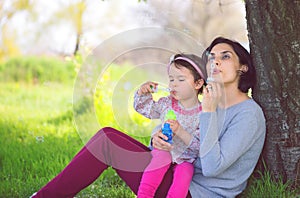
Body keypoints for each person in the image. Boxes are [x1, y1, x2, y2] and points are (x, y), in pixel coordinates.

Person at [31, 37, 266, 198]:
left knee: (107, 142)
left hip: (192, 191)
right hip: (174, 173)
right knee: (109, 137)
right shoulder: (211, 104)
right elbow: (189, 144)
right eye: (212, 56)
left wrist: (207, 114)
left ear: (242, 68)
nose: (215, 61)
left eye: (225, 57)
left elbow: (212, 168)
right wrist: (159, 142)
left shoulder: (248, 114)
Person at [134, 53, 206, 198]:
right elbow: (144, 109)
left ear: (198, 84)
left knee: (185, 172)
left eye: (180, 79)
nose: (173, 84)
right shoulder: (167, 103)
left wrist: (179, 130)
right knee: (162, 156)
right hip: (163, 151)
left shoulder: (204, 113)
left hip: (186, 159)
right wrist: (142, 93)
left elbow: (199, 147)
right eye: (171, 79)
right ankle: (144, 195)